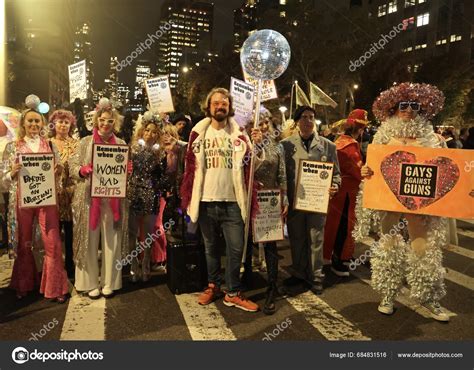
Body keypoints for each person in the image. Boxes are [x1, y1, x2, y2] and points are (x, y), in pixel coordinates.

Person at [354, 82, 450, 322]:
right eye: (403, 105)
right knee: (389, 245)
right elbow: (371, 166)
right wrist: (366, 171)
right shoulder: (383, 136)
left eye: (414, 105)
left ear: (421, 109)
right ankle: (388, 294)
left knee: (423, 246)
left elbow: (446, 169)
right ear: (394, 109)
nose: (409, 109)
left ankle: (428, 296)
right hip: (389, 201)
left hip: (421, 203)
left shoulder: (431, 138)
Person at [180, 87, 263, 312]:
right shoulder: (198, 133)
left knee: (236, 248)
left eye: (224, 103)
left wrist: (258, 145)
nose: (220, 106)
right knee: (210, 248)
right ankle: (213, 285)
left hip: (233, 202)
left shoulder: (240, 133)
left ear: (229, 107)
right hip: (206, 200)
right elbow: (189, 167)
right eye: (216, 103)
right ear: (208, 107)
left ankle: (233, 291)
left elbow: (255, 165)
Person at [3, 96, 68, 302]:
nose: (33, 124)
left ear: (42, 124)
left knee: (53, 242)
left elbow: (58, 177)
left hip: (46, 200)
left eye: (37, 121)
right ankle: (23, 283)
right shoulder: (13, 147)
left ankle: (55, 287)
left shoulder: (49, 145)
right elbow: (3, 180)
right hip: (23, 200)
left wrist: (58, 171)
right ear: (23, 123)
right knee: (24, 242)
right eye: (29, 121)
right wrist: (11, 172)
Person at [70, 98, 130, 299]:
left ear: (115, 123)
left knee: (111, 240)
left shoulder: (121, 144)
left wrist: (128, 170)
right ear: (96, 121)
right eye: (102, 120)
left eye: (110, 121)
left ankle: (110, 282)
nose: (106, 124)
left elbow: (123, 172)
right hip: (88, 198)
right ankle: (88, 282)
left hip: (112, 200)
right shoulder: (85, 142)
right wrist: (81, 170)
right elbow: (72, 166)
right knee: (88, 239)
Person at [280, 106, 341, 294]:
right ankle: (299, 272)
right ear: (297, 121)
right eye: (304, 117)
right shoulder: (285, 145)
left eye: (311, 117)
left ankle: (316, 276)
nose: (308, 120)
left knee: (316, 238)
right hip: (295, 201)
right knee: (297, 238)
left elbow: (337, 175)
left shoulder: (328, 146)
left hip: (317, 202)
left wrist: (335, 187)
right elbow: (281, 175)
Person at [243, 106, 288, 315]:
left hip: (270, 200)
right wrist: (255, 145)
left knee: (270, 245)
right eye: (258, 123)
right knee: (247, 242)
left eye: (265, 123)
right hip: (248, 199)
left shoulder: (277, 147)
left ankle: (271, 287)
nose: (262, 127)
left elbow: (282, 175)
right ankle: (247, 278)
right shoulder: (244, 144)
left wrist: (285, 197)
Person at [323, 109, 368, 277]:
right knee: (343, 228)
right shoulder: (350, 147)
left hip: (338, 193)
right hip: (346, 195)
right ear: (359, 129)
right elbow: (358, 171)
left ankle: (338, 256)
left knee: (335, 226)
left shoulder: (339, 142)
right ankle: (339, 259)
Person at [127, 111, 168, 283]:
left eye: (154, 131)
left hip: (151, 195)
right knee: (132, 233)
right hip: (134, 193)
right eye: (147, 130)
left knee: (149, 234)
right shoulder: (133, 149)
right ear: (142, 131)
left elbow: (163, 177)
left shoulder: (161, 153)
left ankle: (145, 264)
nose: (150, 134)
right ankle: (133, 265)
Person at [49, 109, 79, 279]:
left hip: (71, 193)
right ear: (54, 124)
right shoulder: (47, 143)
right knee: (54, 232)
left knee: (70, 232)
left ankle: (70, 264)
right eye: (60, 121)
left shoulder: (76, 144)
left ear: (71, 125)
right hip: (52, 194)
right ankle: (55, 266)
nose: (63, 125)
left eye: (66, 122)